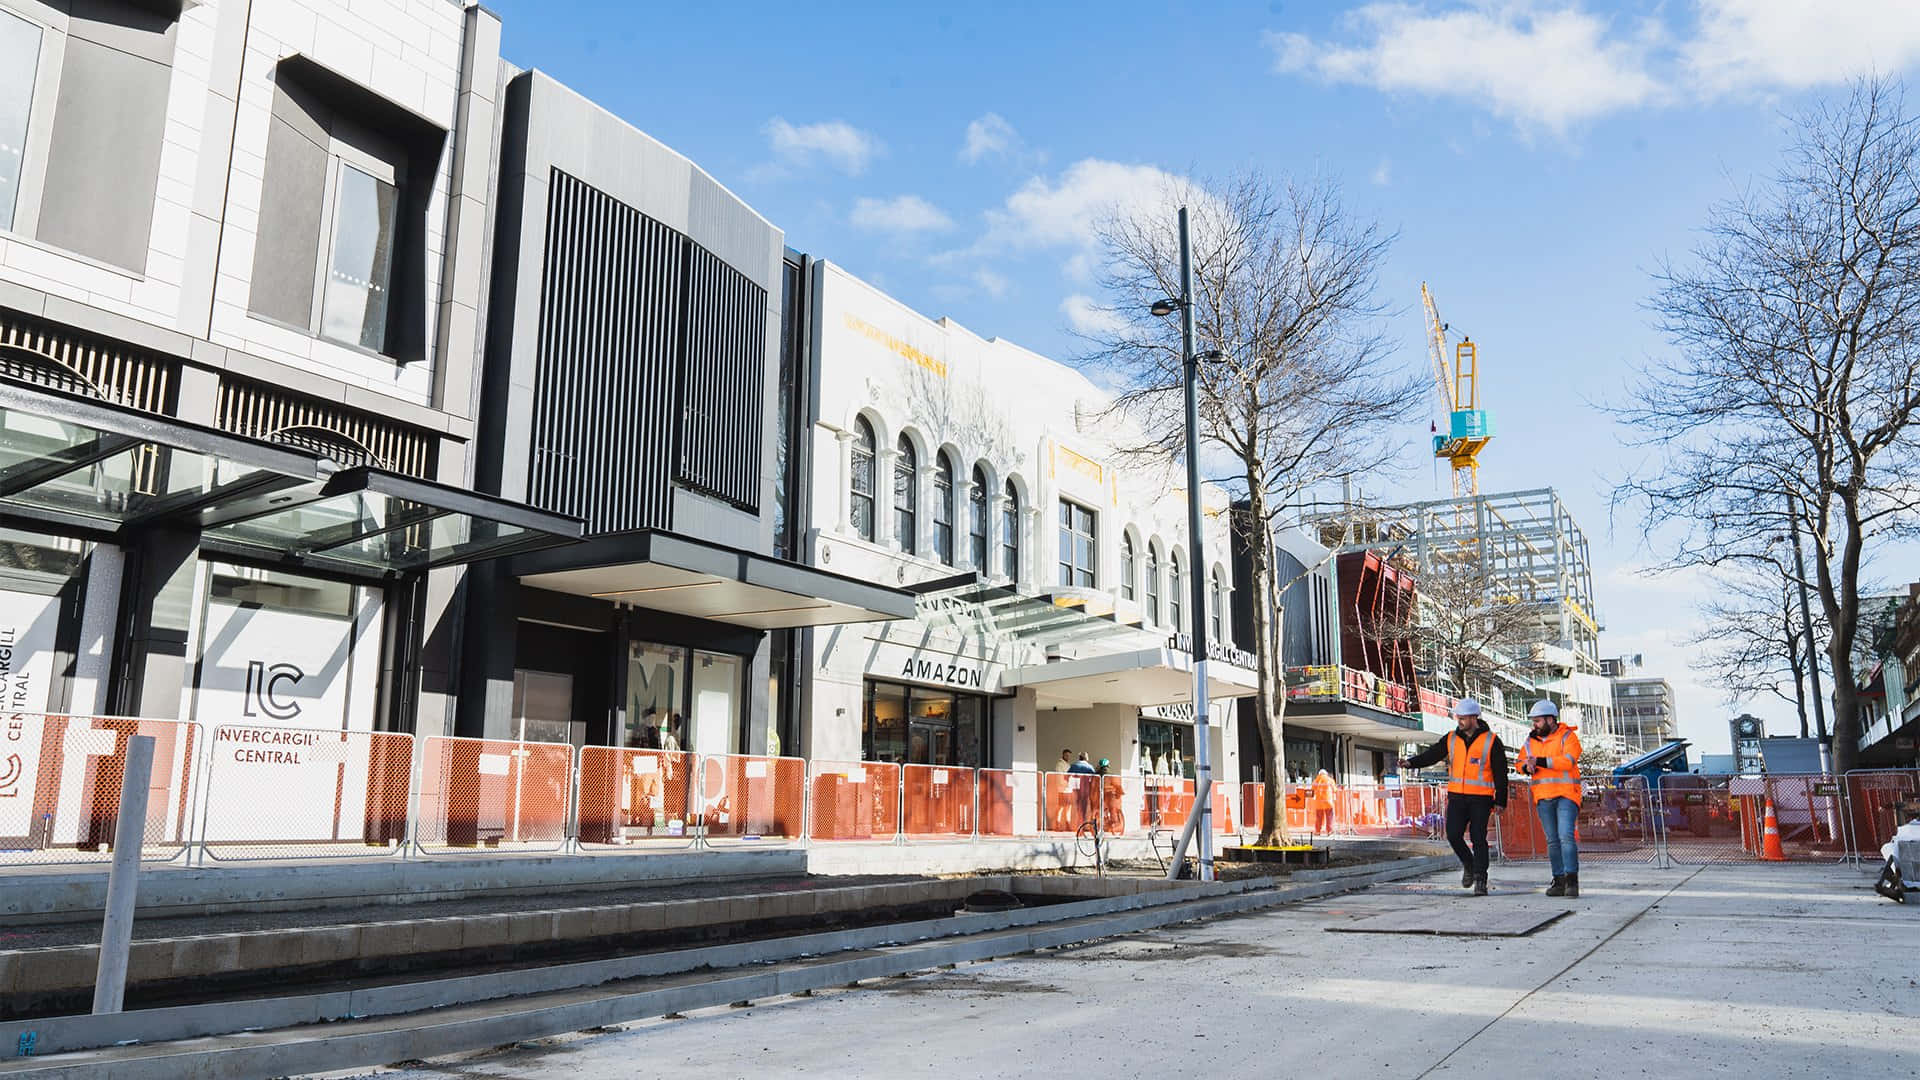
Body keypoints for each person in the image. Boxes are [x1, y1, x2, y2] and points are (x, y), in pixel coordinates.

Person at [1402, 698, 1508, 896]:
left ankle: (1480, 879)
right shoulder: (1451, 738)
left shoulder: (1491, 741)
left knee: (1478, 838)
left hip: (1481, 798)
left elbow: (1501, 772)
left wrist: (1501, 800)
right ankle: (1469, 864)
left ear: (1474, 718)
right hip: (1457, 797)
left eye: (1463, 718)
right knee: (1453, 834)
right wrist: (1411, 763)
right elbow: (1432, 754)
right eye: (1458, 717)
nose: (1459, 721)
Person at [1521, 699, 1583, 898]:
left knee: (1565, 836)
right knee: (1552, 841)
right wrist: (1525, 767)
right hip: (1543, 796)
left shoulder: (1568, 737)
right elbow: (1520, 762)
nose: (1534, 725)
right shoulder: (1530, 741)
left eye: (1537, 721)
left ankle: (1571, 880)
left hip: (1566, 794)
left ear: (1550, 719)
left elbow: (1568, 762)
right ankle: (1559, 881)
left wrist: (1538, 761)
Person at [1311, 768, 1338, 836]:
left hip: (1319, 802)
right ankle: (1329, 831)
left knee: (1319, 818)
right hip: (1328, 801)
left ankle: (1317, 831)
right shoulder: (1330, 780)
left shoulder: (1316, 780)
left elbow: (1312, 790)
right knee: (1329, 817)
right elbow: (1335, 790)